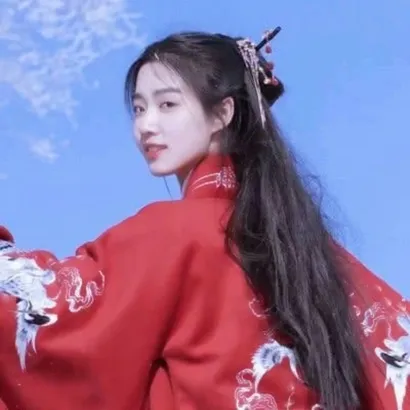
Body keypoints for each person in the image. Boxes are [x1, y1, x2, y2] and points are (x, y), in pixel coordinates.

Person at [0, 28, 409, 410]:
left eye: (167, 105)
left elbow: (52, 319)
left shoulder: (171, 234)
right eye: (139, 108)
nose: (146, 125)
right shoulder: (316, 254)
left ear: (222, 113)